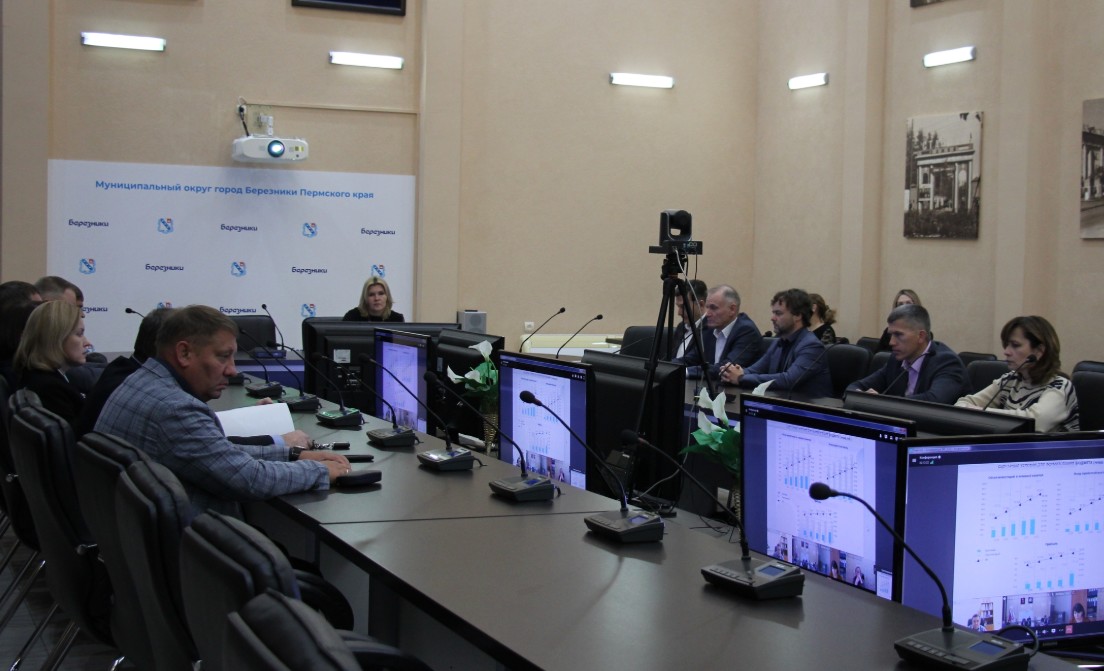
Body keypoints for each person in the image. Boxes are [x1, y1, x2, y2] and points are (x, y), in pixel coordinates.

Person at [95, 305, 350, 517]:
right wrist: (320, 471)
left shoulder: (141, 380)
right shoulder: (175, 408)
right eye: (223, 356)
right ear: (184, 353)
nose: (232, 370)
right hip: (190, 553)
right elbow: (248, 478)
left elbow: (220, 453)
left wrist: (293, 455)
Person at [955, 316, 1079, 432]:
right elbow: (963, 404)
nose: (1006, 351)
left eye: (1015, 345)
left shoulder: (1060, 386)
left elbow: (1036, 422)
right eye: (1006, 345)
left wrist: (982, 412)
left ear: (1039, 351)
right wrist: (976, 411)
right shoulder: (1010, 380)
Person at [719, 289, 833, 397]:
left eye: (778, 313)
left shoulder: (811, 346)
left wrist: (741, 378)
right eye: (773, 313)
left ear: (798, 316)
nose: (772, 318)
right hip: (780, 402)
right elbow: (755, 369)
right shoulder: (779, 342)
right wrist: (731, 372)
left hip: (808, 407)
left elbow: (788, 380)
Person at [848, 304, 968, 404]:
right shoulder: (896, 360)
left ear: (921, 336)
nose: (891, 342)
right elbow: (854, 387)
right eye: (891, 335)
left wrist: (882, 401)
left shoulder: (947, 362)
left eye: (898, 335)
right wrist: (862, 396)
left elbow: (934, 401)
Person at [13, 300, 91, 429]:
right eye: (79, 334)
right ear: (55, 338)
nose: (87, 343)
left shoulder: (36, 377)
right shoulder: (50, 389)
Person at [673, 284, 764, 379]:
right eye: (707, 307)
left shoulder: (746, 331)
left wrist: (685, 372)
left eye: (713, 308)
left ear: (732, 309)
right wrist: (669, 367)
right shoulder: (709, 329)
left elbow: (726, 369)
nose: (707, 313)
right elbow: (692, 358)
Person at [673, 279, 708, 358]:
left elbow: (692, 360)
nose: (679, 313)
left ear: (701, 304)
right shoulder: (681, 327)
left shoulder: (710, 330)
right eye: (678, 307)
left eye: (684, 307)